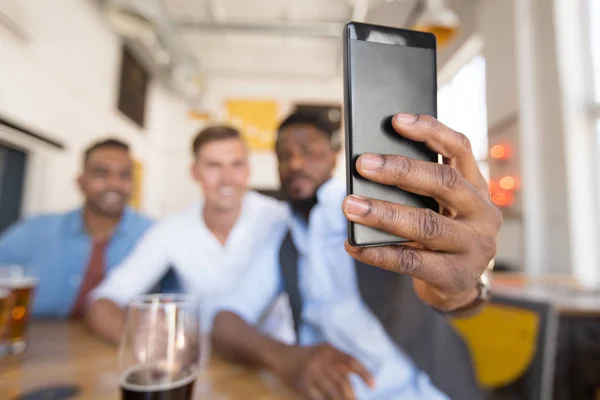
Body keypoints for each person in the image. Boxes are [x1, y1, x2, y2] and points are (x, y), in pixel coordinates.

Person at [212, 111, 501, 399]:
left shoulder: (380, 212)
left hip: (422, 389)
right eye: (283, 156)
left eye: (307, 151)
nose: (294, 164)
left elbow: (451, 290)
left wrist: (465, 289)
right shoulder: (282, 240)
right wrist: (285, 358)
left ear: (334, 157)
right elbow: (225, 322)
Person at [87, 126, 293, 344]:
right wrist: (139, 340)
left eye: (237, 165)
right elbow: (106, 298)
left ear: (248, 169)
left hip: (273, 356)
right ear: (194, 172)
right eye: (214, 166)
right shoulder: (172, 230)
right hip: (206, 357)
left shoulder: (282, 220)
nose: (227, 178)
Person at [0, 138, 152, 318]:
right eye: (101, 173)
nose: (114, 184)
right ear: (80, 181)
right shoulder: (34, 230)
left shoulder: (154, 235)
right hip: (37, 341)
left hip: (117, 344)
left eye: (125, 175)